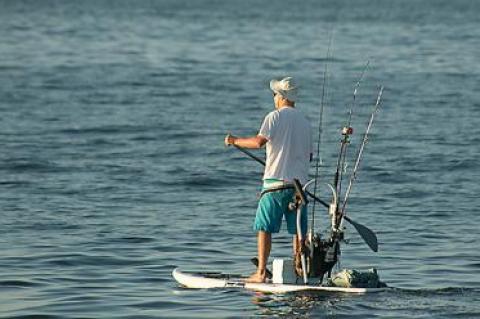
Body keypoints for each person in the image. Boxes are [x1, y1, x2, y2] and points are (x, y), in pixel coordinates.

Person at [224, 77, 313, 283]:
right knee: (298, 232)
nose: (274, 98)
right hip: (299, 187)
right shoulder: (306, 122)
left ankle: (261, 272)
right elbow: (308, 156)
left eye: (275, 94)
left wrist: (234, 141)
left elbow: (258, 142)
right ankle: (301, 273)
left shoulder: (274, 117)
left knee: (264, 228)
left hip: (275, 185)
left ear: (281, 97)